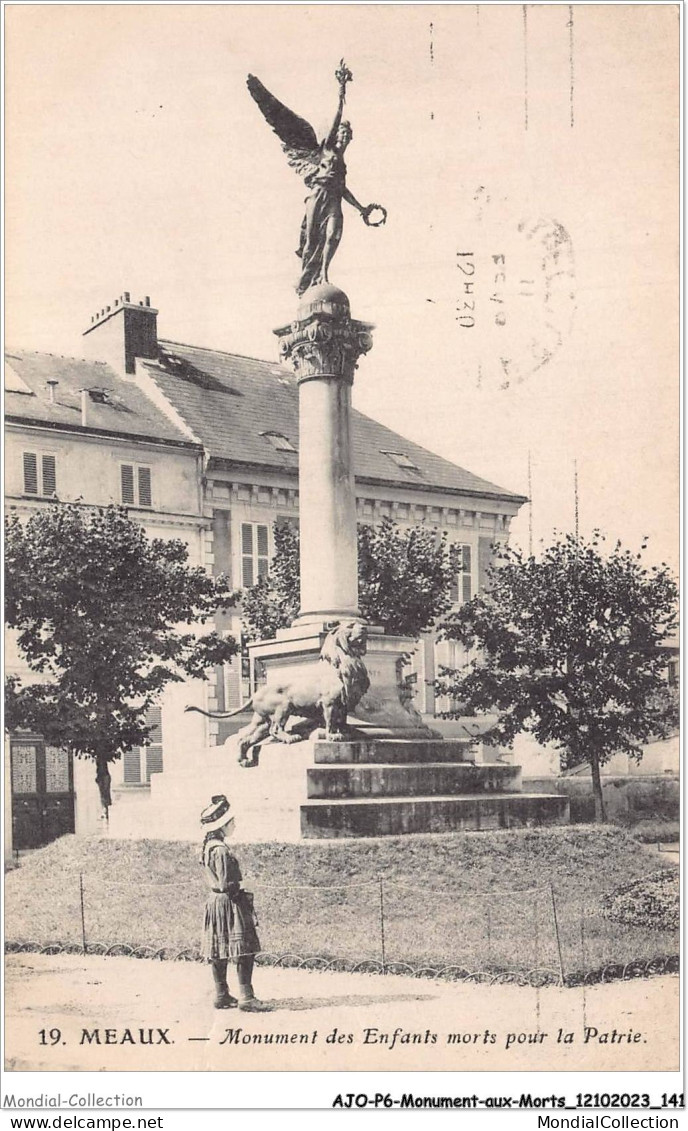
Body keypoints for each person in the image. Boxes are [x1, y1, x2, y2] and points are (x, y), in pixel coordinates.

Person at [199, 795, 269, 1011]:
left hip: (216, 903)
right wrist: (246, 883)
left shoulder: (208, 846)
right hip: (229, 902)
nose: (235, 825)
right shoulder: (220, 849)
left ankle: (222, 995)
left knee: (219, 949)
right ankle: (247, 998)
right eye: (232, 822)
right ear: (223, 825)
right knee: (243, 949)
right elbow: (226, 883)